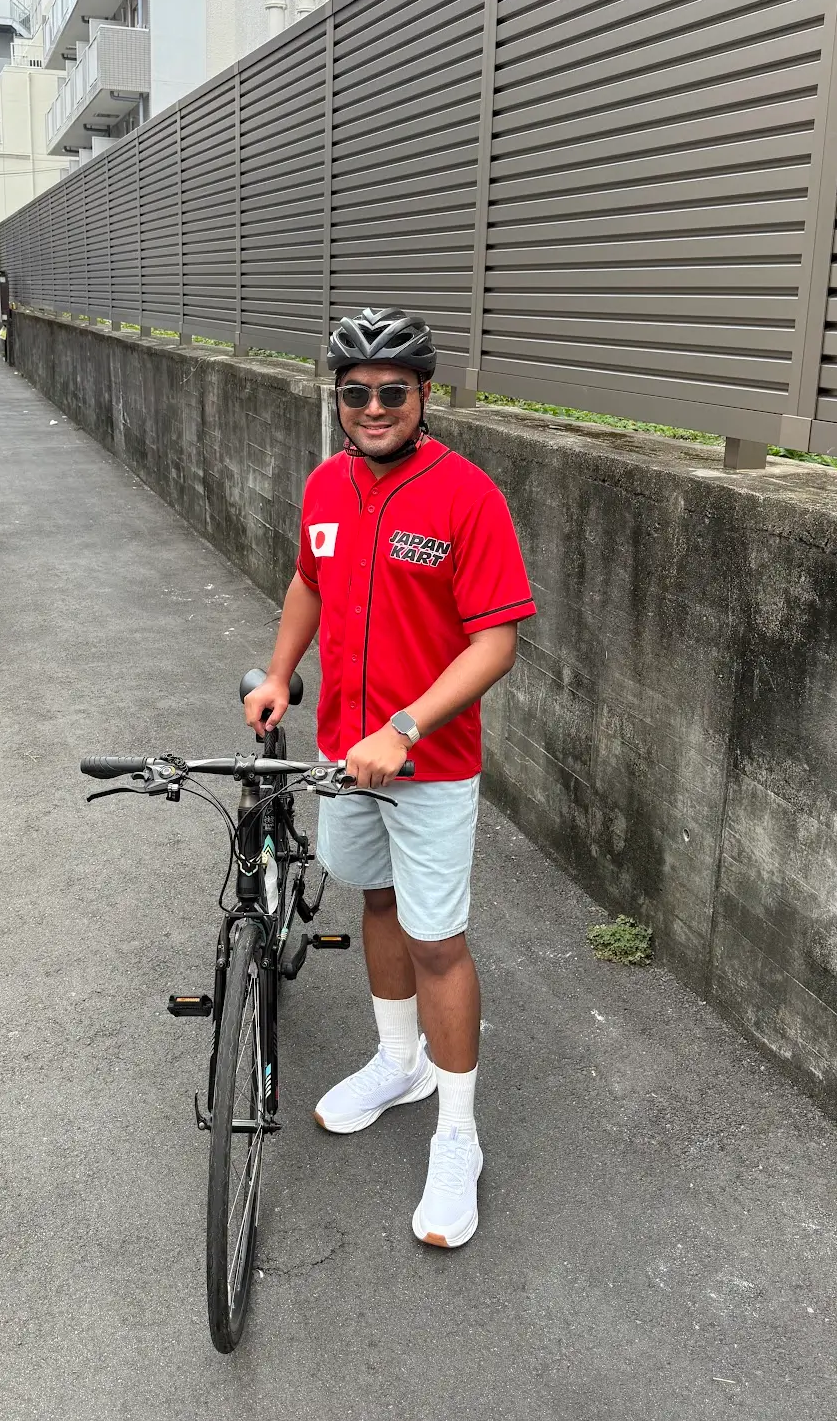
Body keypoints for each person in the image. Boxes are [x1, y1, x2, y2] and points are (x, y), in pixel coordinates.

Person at [244, 307, 535, 1248]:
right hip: (341, 750)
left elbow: (497, 641)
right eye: (355, 393)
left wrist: (406, 728)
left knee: (438, 940)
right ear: (337, 401)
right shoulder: (327, 486)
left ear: (422, 397)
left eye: (391, 393)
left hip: (430, 763)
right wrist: (283, 672)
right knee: (375, 904)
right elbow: (309, 584)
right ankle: (397, 1061)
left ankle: (459, 1134)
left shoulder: (467, 497)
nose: (372, 408)